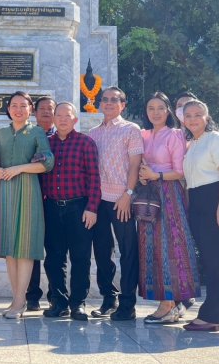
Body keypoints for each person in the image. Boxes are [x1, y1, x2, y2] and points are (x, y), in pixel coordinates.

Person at [137, 92, 201, 324]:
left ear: (168, 112)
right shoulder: (143, 135)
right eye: (151, 108)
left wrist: (157, 174)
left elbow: (181, 170)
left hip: (169, 195)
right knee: (151, 247)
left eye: (160, 108)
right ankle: (163, 302)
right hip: (148, 195)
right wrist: (144, 176)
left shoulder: (174, 135)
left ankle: (172, 303)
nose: (155, 112)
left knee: (170, 246)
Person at [0, 92, 54, 319]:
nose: (18, 110)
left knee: (25, 246)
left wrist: (19, 168)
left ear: (30, 109)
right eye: (14, 105)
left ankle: (20, 300)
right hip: (5, 191)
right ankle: (15, 297)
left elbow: (47, 163)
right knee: (10, 246)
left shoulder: (37, 132)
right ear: (8, 108)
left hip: (28, 189)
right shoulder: (1, 134)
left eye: (23, 106)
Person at [42, 102, 101, 321]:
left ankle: (78, 303)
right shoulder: (47, 144)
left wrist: (92, 208)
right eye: (59, 115)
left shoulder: (86, 143)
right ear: (54, 119)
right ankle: (59, 302)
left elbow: (94, 177)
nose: (63, 119)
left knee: (80, 258)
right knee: (54, 258)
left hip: (79, 208)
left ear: (75, 119)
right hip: (52, 208)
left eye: (68, 115)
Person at [88, 86, 142, 321]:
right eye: (105, 100)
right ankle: (108, 298)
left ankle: (127, 303)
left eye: (114, 100)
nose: (109, 103)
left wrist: (128, 194)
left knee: (128, 251)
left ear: (123, 105)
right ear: (100, 104)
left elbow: (135, 165)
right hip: (98, 201)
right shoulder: (92, 133)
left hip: (122, 200)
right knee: (101, 252)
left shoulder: (131, 130)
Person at [181, 100, 219, 332]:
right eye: (188, 115)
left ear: (206, 116)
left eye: (197, 114)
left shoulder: (216, 138)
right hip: (197, 201)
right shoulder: (192, 143)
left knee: (214, 259)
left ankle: (211, 315)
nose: (193, 119)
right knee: (211, 260)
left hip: (215, 199)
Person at [26, 96, 56, 311]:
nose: (46, 112)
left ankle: (56, 295)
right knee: (31, 250)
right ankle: (32, 295)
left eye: (50, 109)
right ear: (34, 113)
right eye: (42, 109)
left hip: (55, 202)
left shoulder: (61, 136)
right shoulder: (29, 136)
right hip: (31, 199)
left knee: (55, 251)